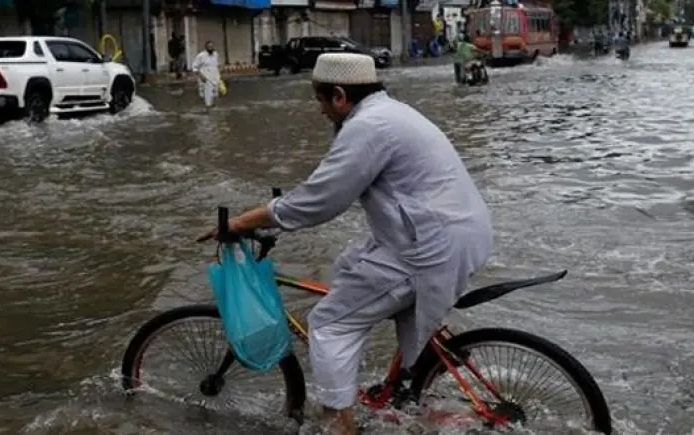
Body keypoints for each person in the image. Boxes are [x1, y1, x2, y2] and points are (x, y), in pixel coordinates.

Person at [198, 53, 492, 434]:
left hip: (427, 247)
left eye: (320, 101)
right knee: (348, 268)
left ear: (339, 95)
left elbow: (319, 200)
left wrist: (242, 221)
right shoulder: (392, 112)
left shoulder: (368, 127)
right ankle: (403, 385)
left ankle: (339, 422)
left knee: (328, 323)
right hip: (451, 233)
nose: (320, 111)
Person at [191, 41, 221, 108]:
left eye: (212, 47)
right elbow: (194, 67)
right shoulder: (201, 56)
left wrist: (219, 78)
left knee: (215, 96)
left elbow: (216, 66)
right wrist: (201, 76)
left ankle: (213, 112)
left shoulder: (216, 54)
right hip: (205, 80)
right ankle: (208, 112)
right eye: (209, 47)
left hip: (215, 79)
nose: (210, 48)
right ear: (206, 47)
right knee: (207, 99)